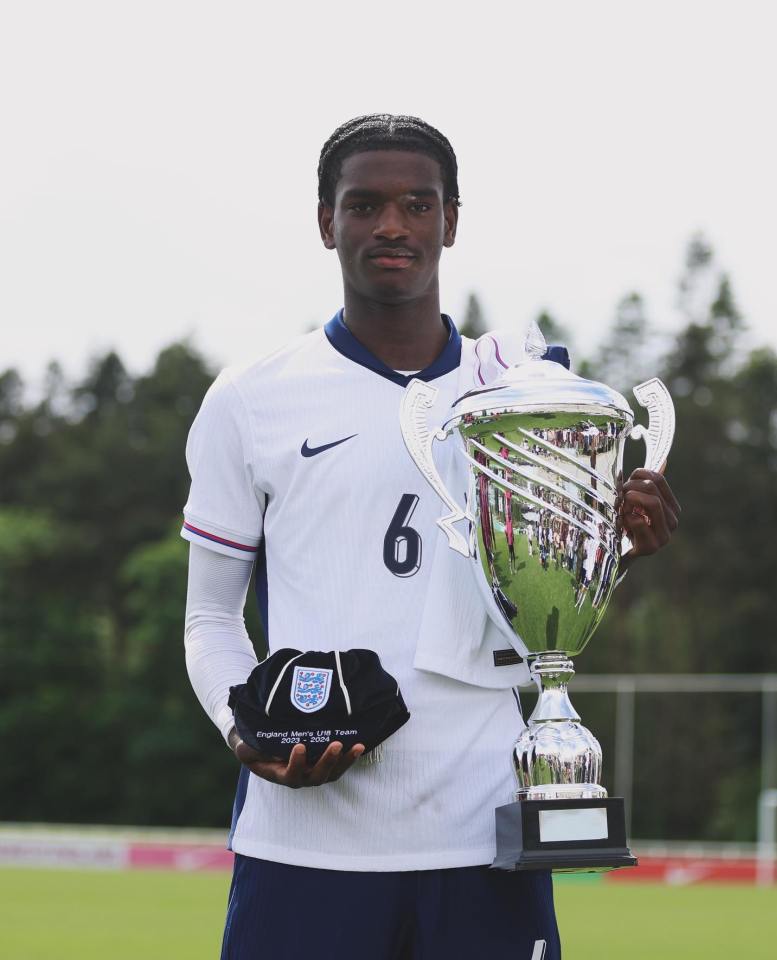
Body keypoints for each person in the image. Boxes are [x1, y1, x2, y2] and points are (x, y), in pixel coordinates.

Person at [181, 114, 681, 960]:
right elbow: (210, 620)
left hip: (484, 836)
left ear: (450, 220)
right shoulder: (252, 398)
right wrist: (246, 733)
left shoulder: (524, 397)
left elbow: (539, 599)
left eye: (416, 204)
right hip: (304, 844)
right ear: (324, 221)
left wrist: (619, 549)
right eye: (363, 204)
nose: (390, 226)